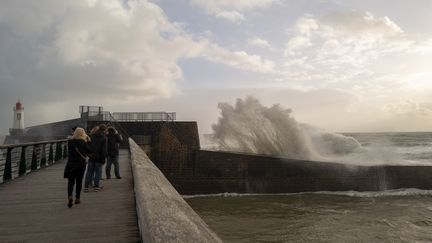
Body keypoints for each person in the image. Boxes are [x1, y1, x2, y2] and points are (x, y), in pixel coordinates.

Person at [64, 127, 91, 208]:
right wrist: (89, 141)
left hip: (71, 163)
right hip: (81, 164)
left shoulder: (70, 142)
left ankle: (70, 196)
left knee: (71, 182)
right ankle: (77, 198)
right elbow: (90, 151)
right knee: (79, 181)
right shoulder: (84, 142)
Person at [84, 124, 107, 192]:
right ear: (104, 130)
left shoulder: (91, 136)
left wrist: (88, 154)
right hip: (99, 158)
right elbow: (104, 150)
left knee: (89, 172)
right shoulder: (104, 138)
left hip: (91, 157)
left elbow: (87, 146)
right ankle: (96, 187)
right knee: (97, 172)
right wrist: (103, 160)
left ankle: (86, 187)